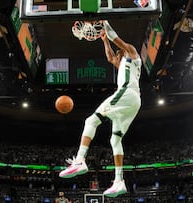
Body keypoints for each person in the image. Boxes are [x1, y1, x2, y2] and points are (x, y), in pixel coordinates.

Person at [59, 20, 142, 198]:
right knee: (115, 140)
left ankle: (80, 160)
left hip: (127, 93)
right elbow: (110, 58)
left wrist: (105, 24)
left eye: (118, 54)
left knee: (91, 120)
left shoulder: (132, 53)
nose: (115, 58)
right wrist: (104, 40)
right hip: (133, 102)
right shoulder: (123, 65)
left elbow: (116, 39)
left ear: (123, 53)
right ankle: (119, 181)